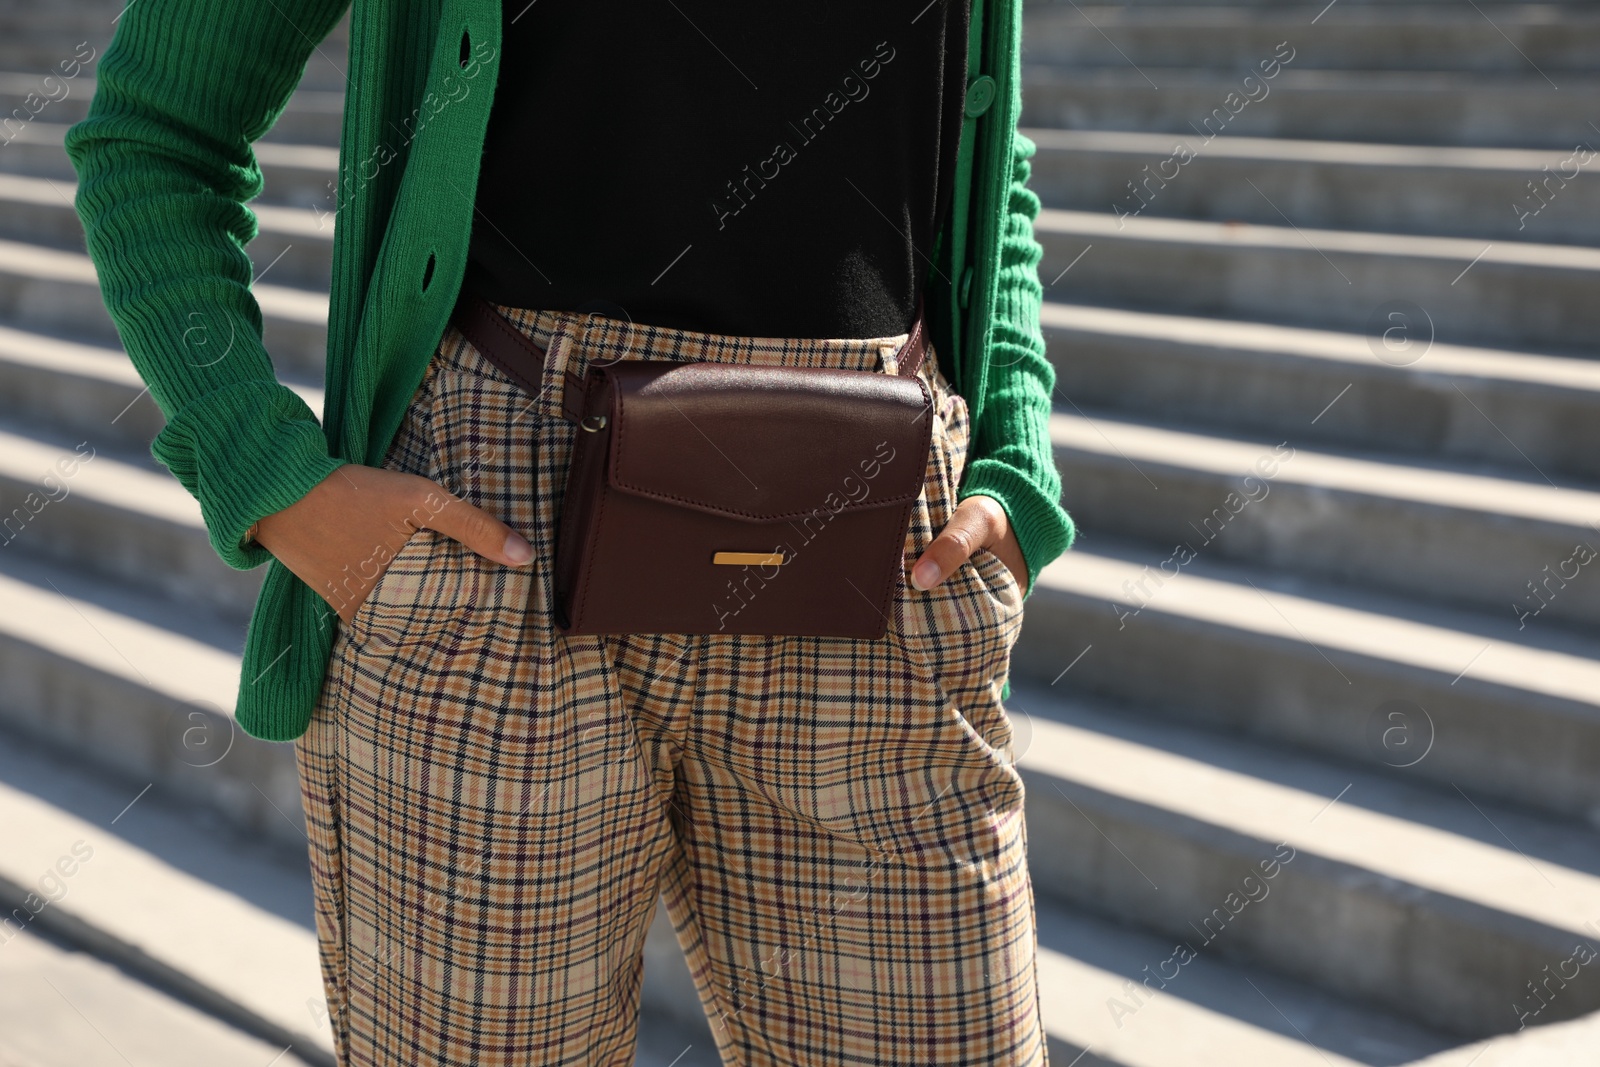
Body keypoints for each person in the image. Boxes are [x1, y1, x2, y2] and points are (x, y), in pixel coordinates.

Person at [66, 0, 1076, 1063]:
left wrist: (1016, 453)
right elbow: (156, 137)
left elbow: (978, 145)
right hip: (492, 536)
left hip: (877, 543)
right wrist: (268, 475)